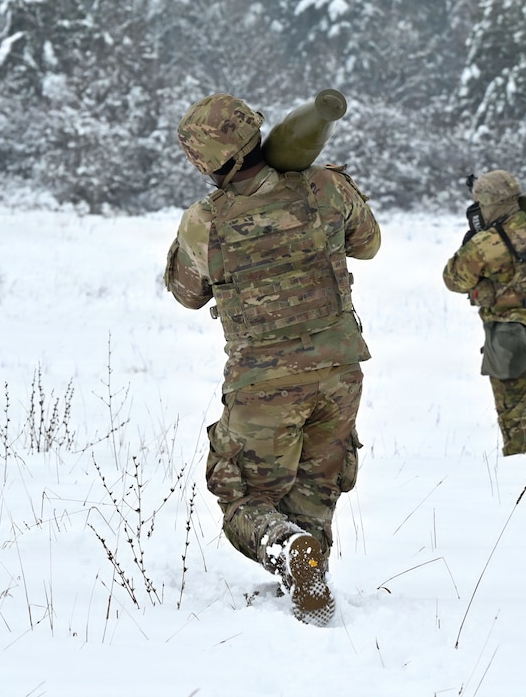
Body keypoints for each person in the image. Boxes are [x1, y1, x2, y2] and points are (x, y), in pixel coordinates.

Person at [163, 93, 381, 626]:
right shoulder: (325, 186)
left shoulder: (205, 220)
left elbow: (186, 292)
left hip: (264, 382)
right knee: (317, 486)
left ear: (207, 160)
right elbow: (368, 244)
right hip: (339, 371)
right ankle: (309, 585)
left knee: (240, 495)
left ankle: (288, 552)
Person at [442, 170, 526, 457]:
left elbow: (453, 279)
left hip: (509, 336)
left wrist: (472, 237)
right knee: (517, 395)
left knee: (512, 411)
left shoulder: (486, 244)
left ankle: (521, 470)